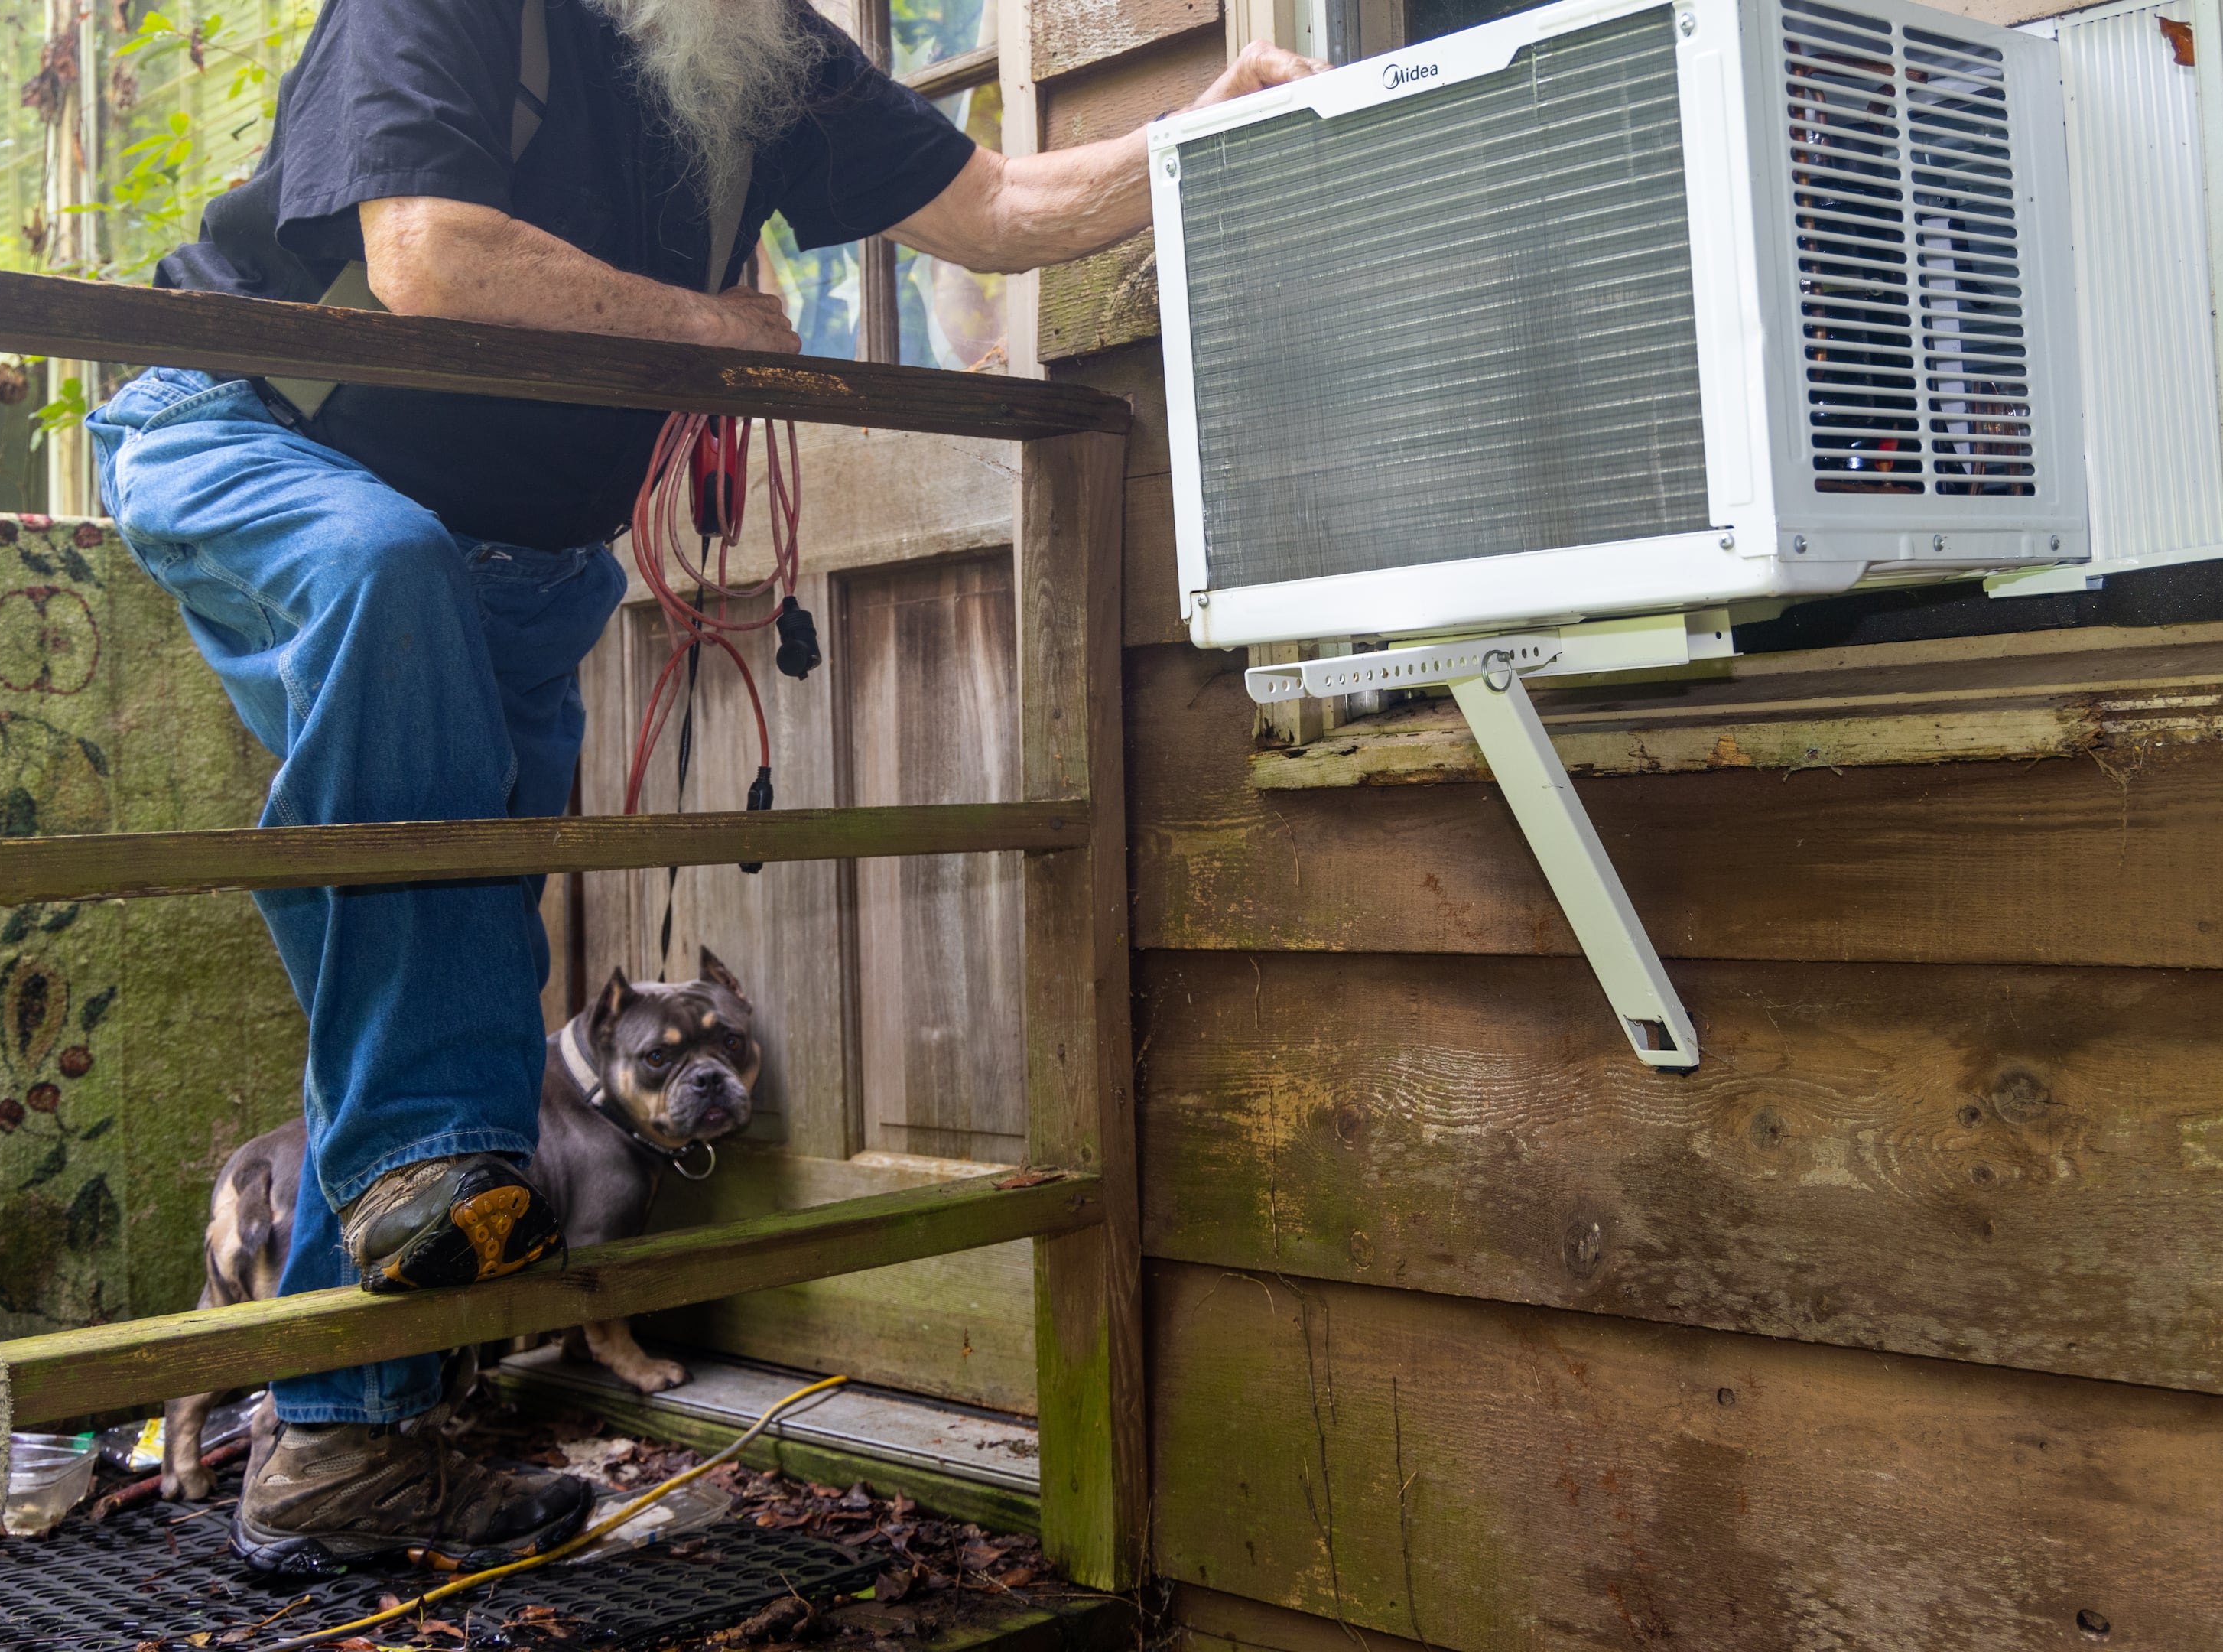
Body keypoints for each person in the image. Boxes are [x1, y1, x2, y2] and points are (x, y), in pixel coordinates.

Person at [86, 0, 1319, 1576]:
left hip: (519, 565)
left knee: (428, 964)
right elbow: (428, 259)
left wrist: (1208, 123)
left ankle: (344, 1451)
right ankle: (414, 1207)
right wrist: (707, 325)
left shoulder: (763, 52)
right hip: (255, 433)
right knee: (412, 880)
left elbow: (999, 208)